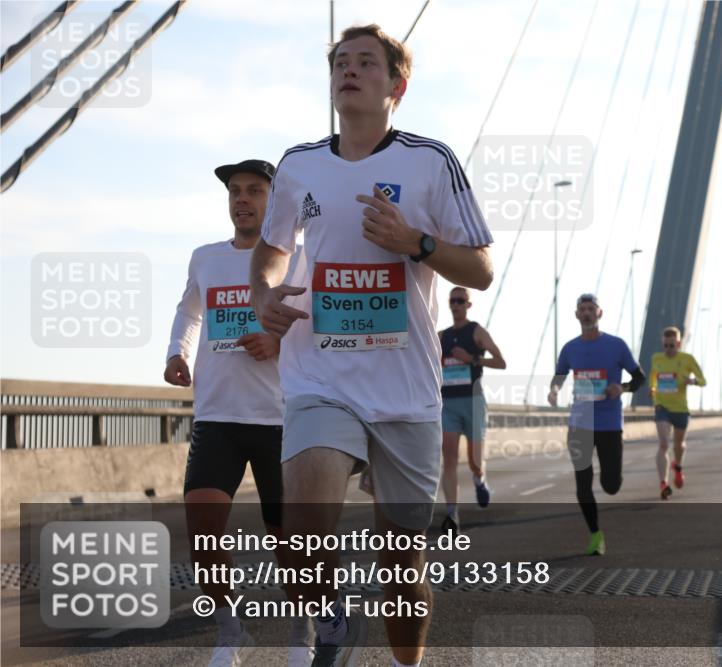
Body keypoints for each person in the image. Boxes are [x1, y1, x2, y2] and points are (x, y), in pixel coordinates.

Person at [250, 24, 493, 667]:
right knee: (302, 539)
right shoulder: (298, 165)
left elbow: (481, 270)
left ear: (397, 86)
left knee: (402, 568)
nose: (347, 71)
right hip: (319, 377)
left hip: (405, 392)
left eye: (364, 62)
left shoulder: (429, 161)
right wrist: (264, 295)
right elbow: (272, 252)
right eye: (338, 62)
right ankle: (333, 621)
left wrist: (417, 243)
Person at [165, 159, 312, 666]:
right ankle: (231, 631)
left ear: (274, 203)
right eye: (235, 191)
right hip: (217, 416)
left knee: (291, 540)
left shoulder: (297, 261)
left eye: (254, 190)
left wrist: (277, 339)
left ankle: (302, 632)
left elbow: (321, 325)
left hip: (281, 417)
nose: (242, 199)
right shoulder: (205, 258)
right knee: (202, 528)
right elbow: (189, 310)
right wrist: (177, 353)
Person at [548, 294, 645, 555]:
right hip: (580, 423)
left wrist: (622, 387)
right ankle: (595, 534)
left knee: (611, 486)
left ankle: (610, 473)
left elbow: (639, 378)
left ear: (599, 313)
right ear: (577, 315)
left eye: (591, 308)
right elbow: (559, 374)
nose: (587, 313)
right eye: (583, 309)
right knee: (583, 483)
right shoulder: (570, 348)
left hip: (609, 423)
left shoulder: (616, 345)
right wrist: (554, 391)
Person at [439, 285, 506, 533]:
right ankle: (451, 514)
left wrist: (472, 359)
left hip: (473, 401)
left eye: (460, 300)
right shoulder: (442, 337)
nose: (456, 304)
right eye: (452, 301)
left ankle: (479, 478)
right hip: (448, 404)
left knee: (475, 461)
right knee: (449, 460)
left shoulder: (477, 332)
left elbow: (501, 362)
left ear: (468, 305)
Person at [648, 326, 705, 499]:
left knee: (678, 445)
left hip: (680, 409)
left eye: (672, 346)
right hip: (662, 407)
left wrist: (692, 381)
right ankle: (663, 484)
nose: (668, 350)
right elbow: (653, 376)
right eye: (665, 345)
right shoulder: (656, 358)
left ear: (679, 344)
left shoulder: (687, 359)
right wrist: (652, 388)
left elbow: (703, 381)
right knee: (664, 444)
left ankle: (678, 467)